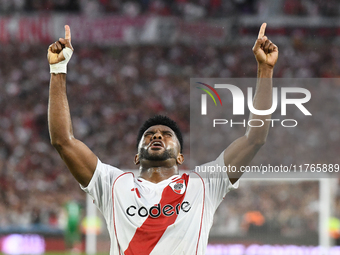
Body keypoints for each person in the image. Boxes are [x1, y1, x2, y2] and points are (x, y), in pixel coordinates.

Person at [47, 23, 278, 254]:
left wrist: (265, 70)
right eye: (149, 135)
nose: (157, 135)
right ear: (136, 157)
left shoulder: (204, 184)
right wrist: (58, 69)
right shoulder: (112, 184)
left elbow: (254, 139)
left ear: (180, 156)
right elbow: (63, 141)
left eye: (167, 134)